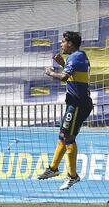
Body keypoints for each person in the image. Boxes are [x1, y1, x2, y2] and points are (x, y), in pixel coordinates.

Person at [38, 31, 93, 190]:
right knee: (63, 135)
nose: (61, 44)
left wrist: (50, 72)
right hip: (75, 103)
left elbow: (64, 78)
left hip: (78, 103)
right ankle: (53, 168)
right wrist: (63, 64)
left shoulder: (76, 56)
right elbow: (75, 76)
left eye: (63, 41)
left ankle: (73, 176)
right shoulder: (78, 56)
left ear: (70, 43)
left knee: (68, 136)